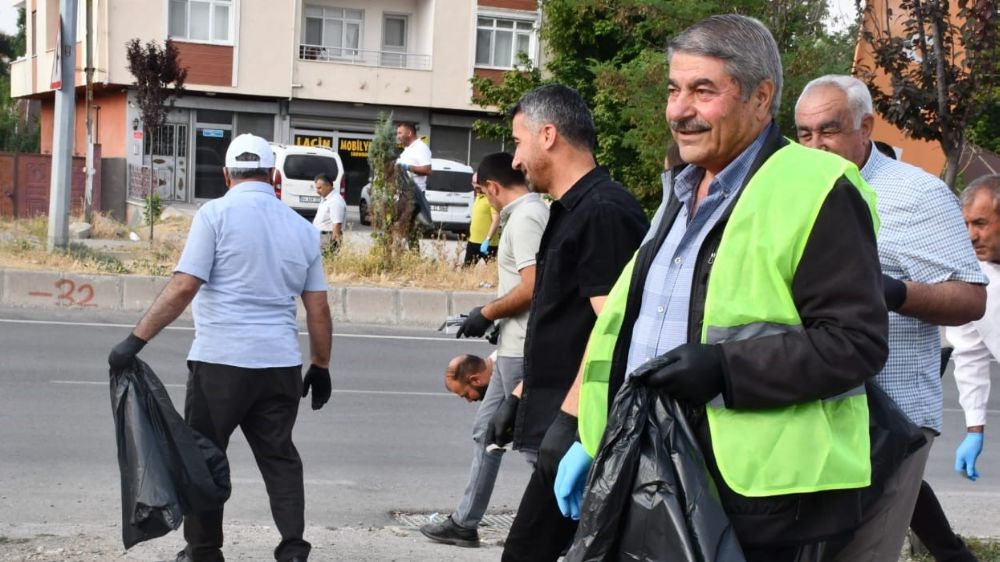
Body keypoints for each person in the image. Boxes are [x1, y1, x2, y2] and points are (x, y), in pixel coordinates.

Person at [557, 15, 890, 561]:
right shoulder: (680, 189)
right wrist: (583, 434)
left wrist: (724, 369)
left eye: (703, 90)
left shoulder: (817, 187)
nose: (679, 110)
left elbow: (855, 342)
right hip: (649, 463)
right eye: (674, 89)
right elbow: (630, 323)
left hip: (756, 496)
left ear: (762, 98)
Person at [107, 133, 332, 562]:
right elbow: (318, 308)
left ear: (227, 174)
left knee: (203, 457)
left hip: (220, 366)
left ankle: (204, 551)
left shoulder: (214, 215)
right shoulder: (303, 230)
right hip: (280, 365)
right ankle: (293, 548)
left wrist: (134, 341)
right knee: (280, 458)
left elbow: (185, 285)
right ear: (274, 175)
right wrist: (321, 365)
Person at [794, 74, 986, 562]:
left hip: (891, 419)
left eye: (829, 131)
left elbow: (970, 298)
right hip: (803, 418)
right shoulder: (787, 191)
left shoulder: (918, 195)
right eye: (804, 134)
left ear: (866, 127)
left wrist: (894, 291)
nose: (816, 146)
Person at [490, 85, 648, 562]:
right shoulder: (570, 209)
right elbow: (563, 321)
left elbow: (612, 331)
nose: (515, 160)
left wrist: (571, 420)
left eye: (519, 142)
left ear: (548, 135)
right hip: (562, 422)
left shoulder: (602, 213)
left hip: (585, 430)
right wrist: (518, 395)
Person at [425, 152, 550, 548]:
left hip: (524, 350)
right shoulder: (523, 215)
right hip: (512, 345)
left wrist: (487, 312)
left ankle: (564, 528)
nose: (484, 200)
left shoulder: (528, 216)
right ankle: (465, 522)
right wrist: (495, 320)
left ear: (493, 187)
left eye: (481, 191)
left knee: (533, 448)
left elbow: (534, 288)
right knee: (487, 432)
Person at [464, 173, 501, 266]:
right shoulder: (477, 197)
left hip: (488, 244)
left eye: (478, 183)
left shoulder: (491, 198)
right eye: (473, 183)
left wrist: (487, 240)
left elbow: (496, 220)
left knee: (492, 272)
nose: (475, 185)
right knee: (466, 271)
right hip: (473, 242)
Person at [311, 173, 346, 251]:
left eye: (319, 188)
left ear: (328, 186)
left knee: (325, 261)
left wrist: (333, 246)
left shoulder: (335, 201)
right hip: (321, 237)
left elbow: (337, 224)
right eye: (316, 188)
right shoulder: (326, 199)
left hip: (327, 238)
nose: (317, 191)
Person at [395, 121, 432, 191]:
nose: (397, 137)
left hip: (414, 194)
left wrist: (408, 167)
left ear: (409, 133)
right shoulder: (407, 149)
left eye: (400, 133)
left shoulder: (420, 147)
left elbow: (427, 170)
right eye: (397, 134)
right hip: (404, 193)